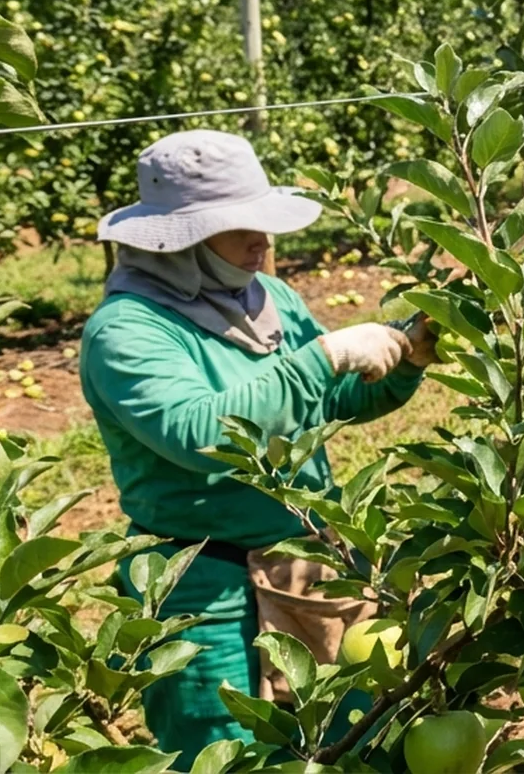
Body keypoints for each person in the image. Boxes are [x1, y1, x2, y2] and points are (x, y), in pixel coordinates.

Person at [79, 130, 436, 766]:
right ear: (181, 234)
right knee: (225, 751)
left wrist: (405, 363)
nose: (263, 242)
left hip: (305, 569)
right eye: (239, 225)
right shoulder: (127, 331)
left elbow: (333, 400)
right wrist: (323, 359)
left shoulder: (272, 300)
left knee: (352, 738)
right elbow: (199, 434)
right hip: (202, 590)